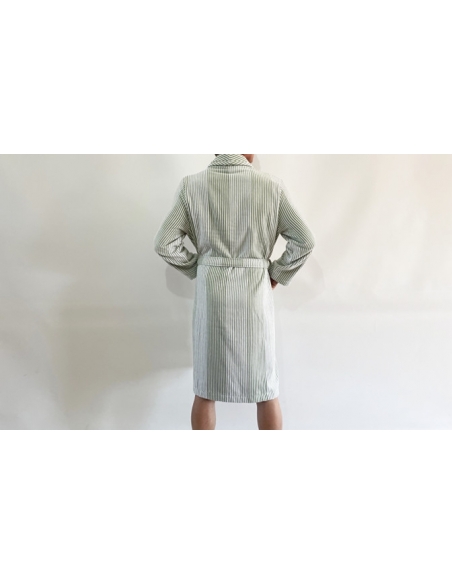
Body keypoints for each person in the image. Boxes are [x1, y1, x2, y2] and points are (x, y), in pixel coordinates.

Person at [154, 154, 316, 430]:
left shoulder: (191, 186)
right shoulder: (272, 187)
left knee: (206, 388)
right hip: (255, 296)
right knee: (265, 388)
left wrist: (198, 267)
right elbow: (305, 241)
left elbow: (164, 243)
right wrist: (275, 274)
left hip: (212, 297)